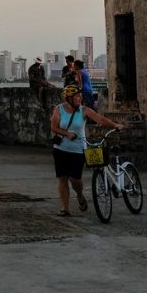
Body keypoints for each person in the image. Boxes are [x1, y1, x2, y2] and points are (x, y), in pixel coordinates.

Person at [49, 83, 122, 216]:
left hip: (78, 149)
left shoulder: (83, 110)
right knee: (62, 178)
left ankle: (80, 195)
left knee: (75, 178)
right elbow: (54, 128)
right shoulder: (59, 109)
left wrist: (115, 125)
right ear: (69, 99)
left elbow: (99, 119)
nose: (79, 98)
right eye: (76, 96)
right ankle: (64, 208)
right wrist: (67, 133)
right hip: (60, 149)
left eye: (80, 96)